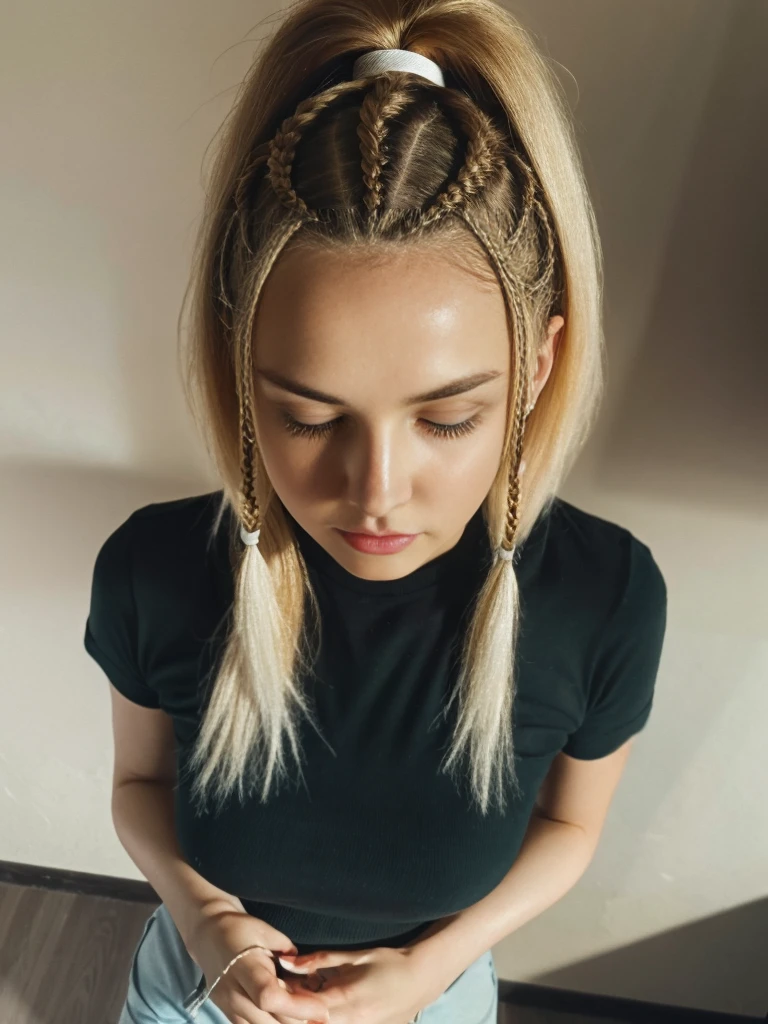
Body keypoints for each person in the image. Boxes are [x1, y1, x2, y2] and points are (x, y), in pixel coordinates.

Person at [84, 1, 668, 1022]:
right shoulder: (156, 570)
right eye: (309, 418)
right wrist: (209, 920)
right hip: (196, 988)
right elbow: (138, 789)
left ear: (536, 369)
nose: (377, 492)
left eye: (447, 419)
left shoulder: (604, 598)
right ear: (240, 372)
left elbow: (572, 829)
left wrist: (432, 967)